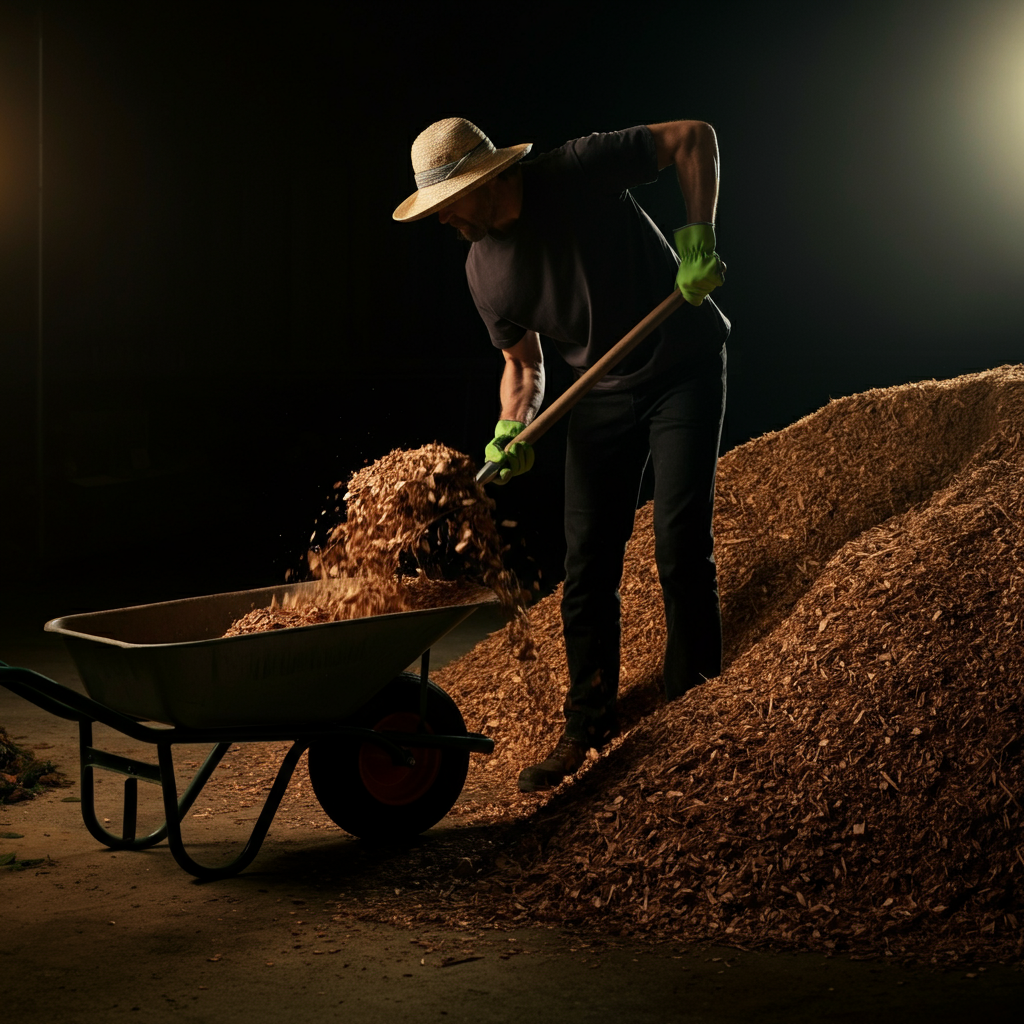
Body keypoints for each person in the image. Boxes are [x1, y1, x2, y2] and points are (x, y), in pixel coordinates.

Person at [393, 116, 730, 792]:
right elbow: (523, 365)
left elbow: (694, 137)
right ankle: (588, 723)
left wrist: (698, 237)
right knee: (586, 563)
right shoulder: (481, 271)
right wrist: (510, 426)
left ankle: (695, 704)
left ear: (481, 181)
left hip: (681, 363)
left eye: (445, 205)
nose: (441, 222)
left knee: (678, 541)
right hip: (598, 392)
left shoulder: (575, 171)